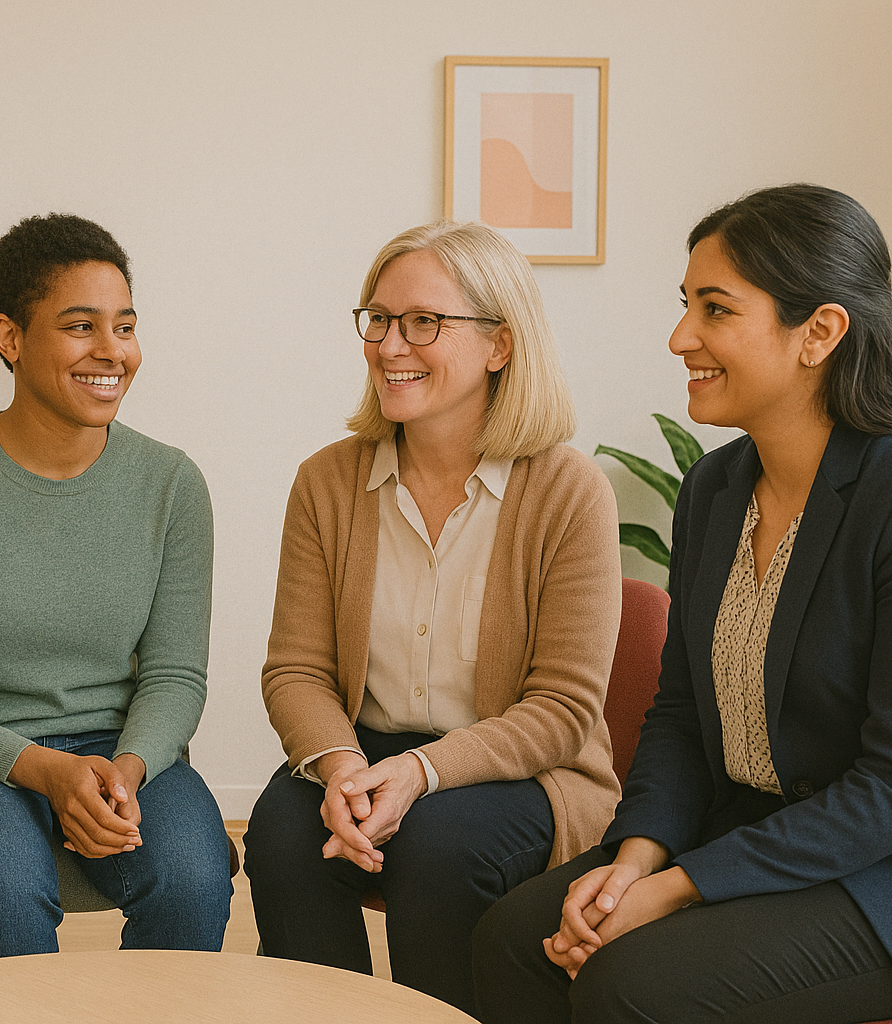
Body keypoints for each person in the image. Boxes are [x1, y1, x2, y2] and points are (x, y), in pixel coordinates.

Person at [472, 184, 892, 1024]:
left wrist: (678, 889)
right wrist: (637, 860)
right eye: (685, 304)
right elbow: (677, 713)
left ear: (819, 332)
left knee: (631, 983)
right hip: (746, 829)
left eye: (716, 309)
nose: (680, 337)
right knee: (514, 937)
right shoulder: (714, 487)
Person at [243, 220, 622, 1013]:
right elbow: (298, 669)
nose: (390, 345)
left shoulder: (567, 491)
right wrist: (343, 768)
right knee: (282, 831)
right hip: (369, 743)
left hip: (521, 768)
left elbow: (561, 710)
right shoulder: (328, 481)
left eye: (424, 323)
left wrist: (422, 772)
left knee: (438, 848)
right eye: (378, 319)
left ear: (500, 344)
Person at [0, 213, 233, 960]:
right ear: (9, 337)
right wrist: (46, 771)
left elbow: (174, 675)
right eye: (80, 326)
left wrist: (125, 769)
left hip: (120, 748)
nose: (112, 352)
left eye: (124, 327)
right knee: (4, 895)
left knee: (196, 877)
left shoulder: (171, 485)